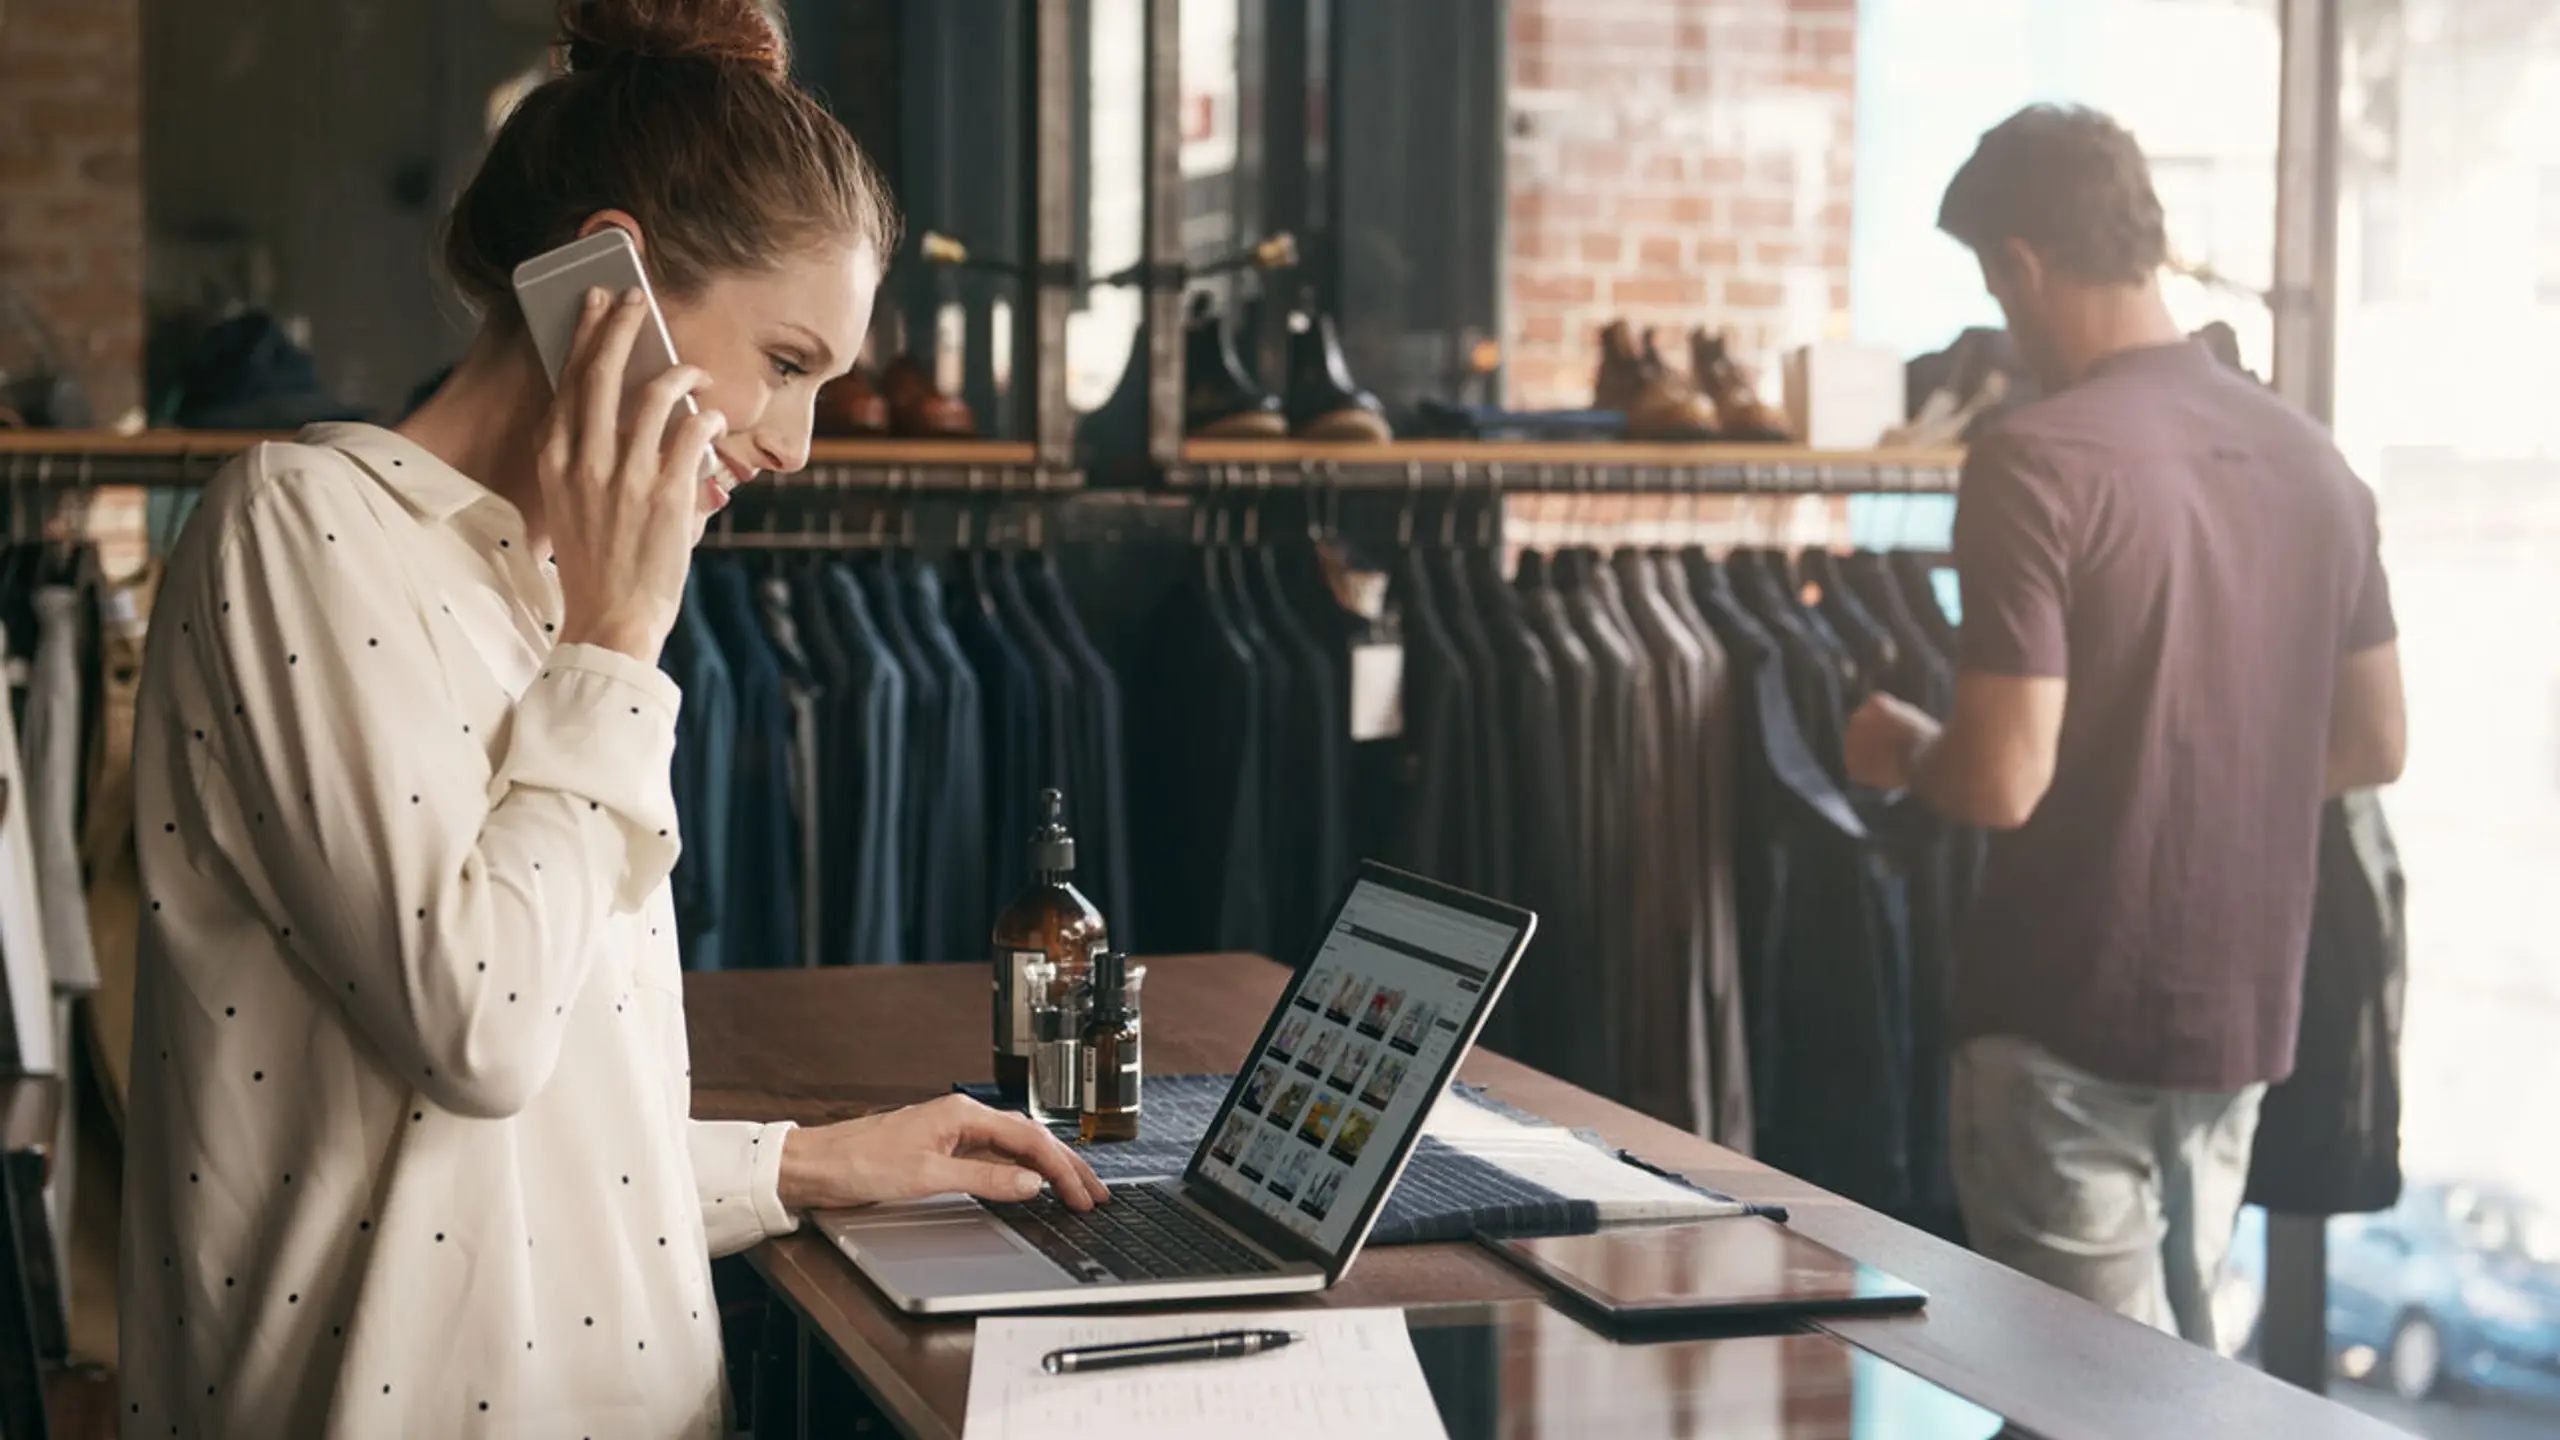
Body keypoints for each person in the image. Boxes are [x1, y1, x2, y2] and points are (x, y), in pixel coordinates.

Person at [119, 3, 1107, 1433]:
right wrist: (622, 639)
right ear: (614, 280)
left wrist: (811, 1164)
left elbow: (531, 1150)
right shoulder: (302, 527)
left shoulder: (550, 594)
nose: (797, 444)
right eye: (786, 363)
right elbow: (480, 1027)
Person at [1844, 104, 2406, 1352]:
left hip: (2064, 1017)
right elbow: (2374, 742)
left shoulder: (2034, 460)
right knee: (2184, 1391)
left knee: (2089, 1407)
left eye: (1993, 279)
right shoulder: (2315, 460)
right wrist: (2200, 771)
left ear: (2021, 263)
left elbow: (1998, 777)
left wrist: (1900, 747)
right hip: (2240, 1018)